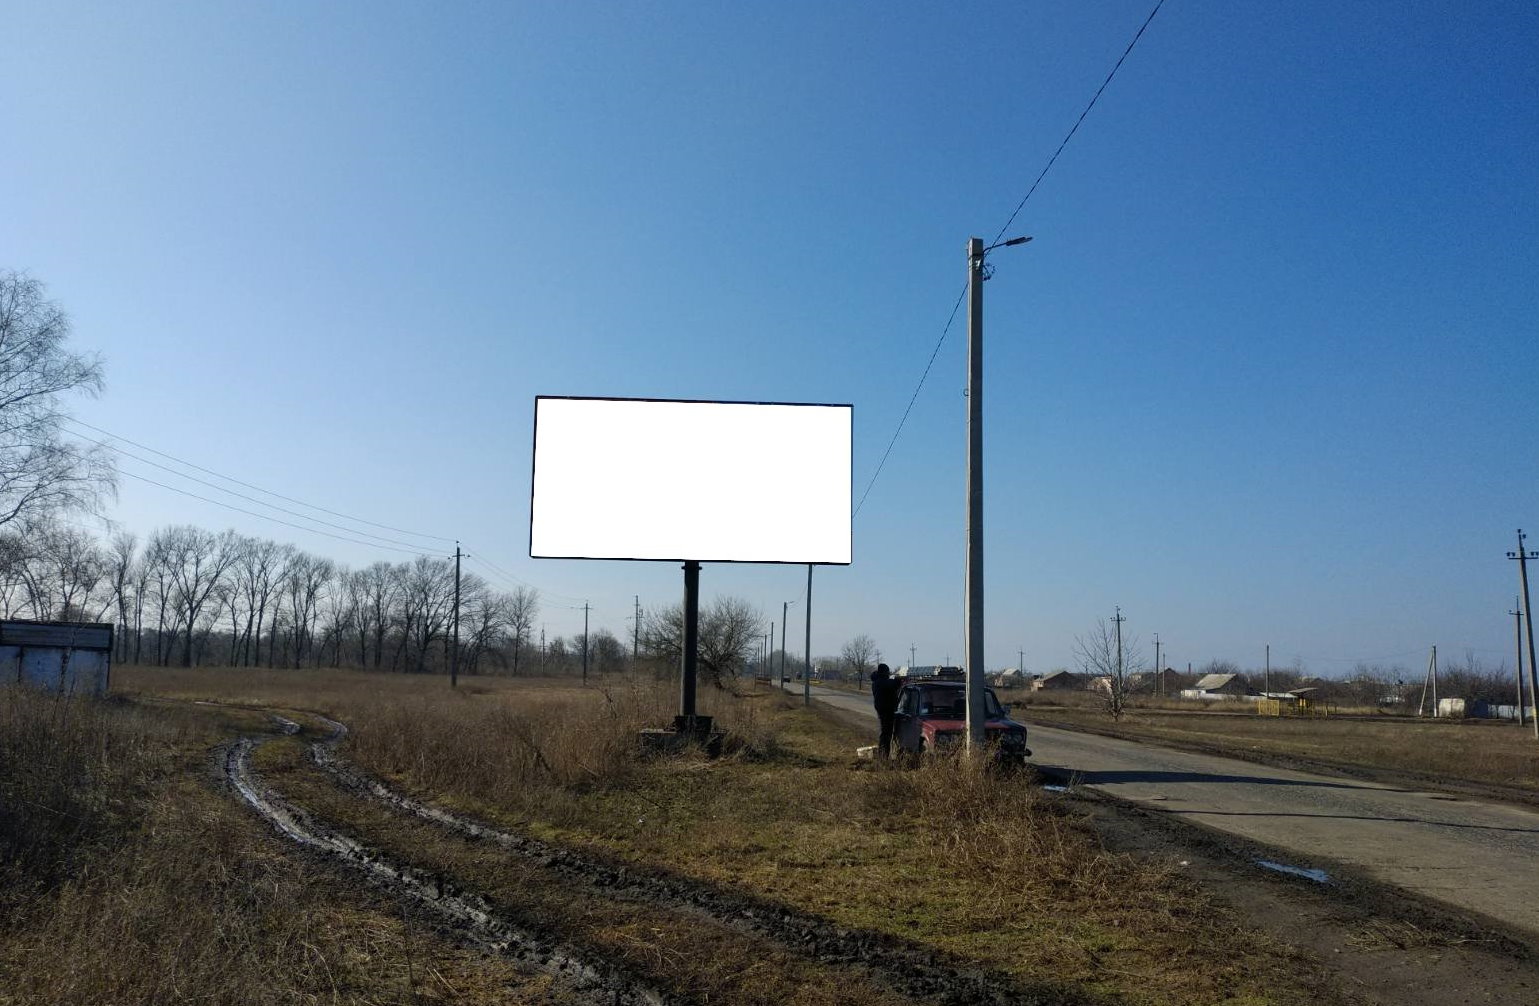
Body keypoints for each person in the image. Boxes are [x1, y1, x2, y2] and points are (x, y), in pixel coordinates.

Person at [870, 663, 900, 759]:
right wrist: (898, 679)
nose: (888, 674)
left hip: (884, 711)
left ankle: (883, 756)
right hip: (886, 711)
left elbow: (891, 684)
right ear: (884, 672)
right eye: (887, 672)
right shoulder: (881, 682)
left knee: (886, 734)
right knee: (886, 735)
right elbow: (894, 684)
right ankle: (883, 756)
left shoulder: (876, 681)